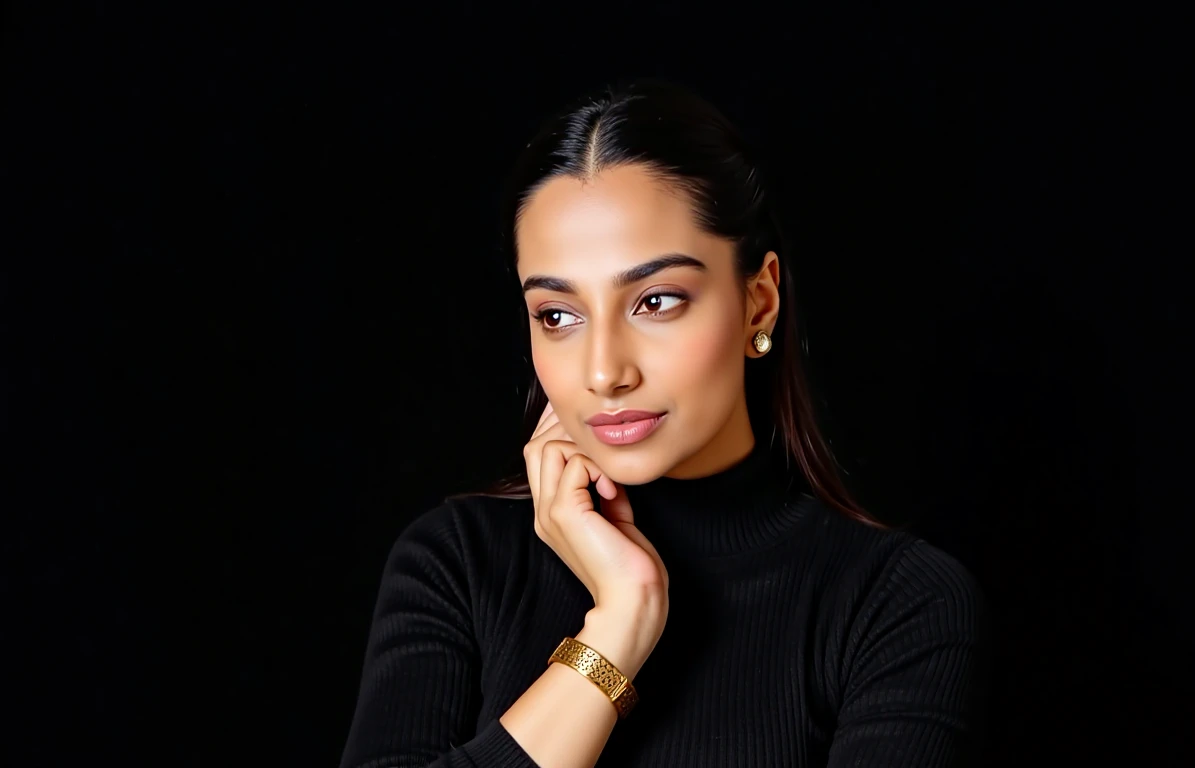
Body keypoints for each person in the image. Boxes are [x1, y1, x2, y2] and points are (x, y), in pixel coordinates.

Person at [339, 78, 985, 768]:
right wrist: (619, 623)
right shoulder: (457, 564)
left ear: (759, 303)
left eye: (656, 300)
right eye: (557, 315)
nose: (604, 370)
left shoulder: (895, 603)